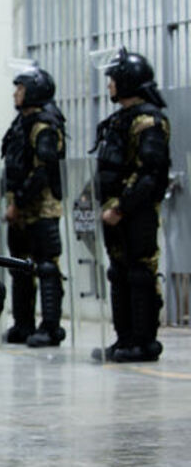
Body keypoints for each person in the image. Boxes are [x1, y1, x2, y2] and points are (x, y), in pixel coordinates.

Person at [93, 48, 171, 363]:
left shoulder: (148, 120)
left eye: (113, 78)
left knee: (140, 274)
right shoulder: (119, 120)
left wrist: (121, 207)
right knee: (119, 273)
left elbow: (150, 173)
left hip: (136, 213)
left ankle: (143, 342)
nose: (109, 84)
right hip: (113, 211)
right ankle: (124, 340)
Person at [0, 68, 67, 347]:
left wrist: (19, 202)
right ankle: (23, 324)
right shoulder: (20, 124)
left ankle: (50, 327)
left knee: (47, 267)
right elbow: (12, 165)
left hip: (42, 209)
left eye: (21, 89)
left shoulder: (44, 126)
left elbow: (43, 171)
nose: (15, 94)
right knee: (20, 268)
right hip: (19, 210)